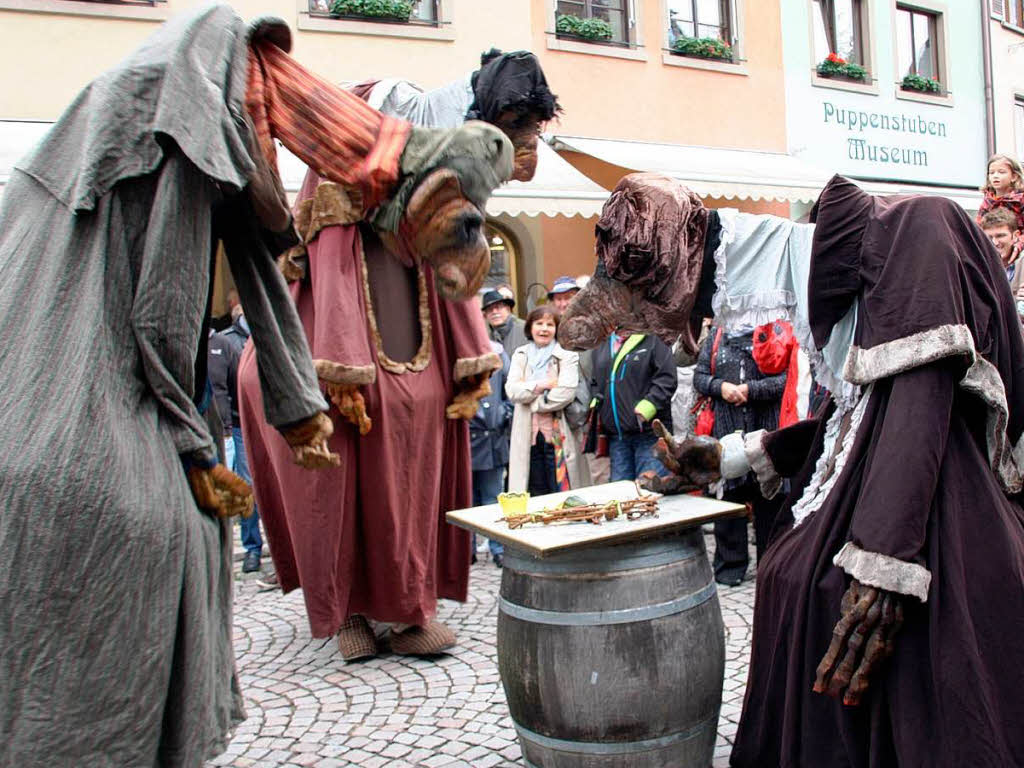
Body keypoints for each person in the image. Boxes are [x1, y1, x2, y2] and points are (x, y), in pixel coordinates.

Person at [0, 8, 412, 765]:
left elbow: (244, 264)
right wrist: (203, 452)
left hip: (41, 452)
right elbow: (162, 320)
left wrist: (289, 407)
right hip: (101, 479)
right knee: (103, 714)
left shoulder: (71, 149)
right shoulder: (173, 140)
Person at [694, 325, 786, 586]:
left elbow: (788, 378)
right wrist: (719, 386)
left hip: (764, 428)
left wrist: (751, 390)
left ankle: (770, 566)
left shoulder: (774, 328)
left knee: (768, 498)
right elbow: (699, 377)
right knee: (729, 501)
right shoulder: (718, 334)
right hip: (727, 428)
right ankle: (730, 566)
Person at [506, 307, 586, 494]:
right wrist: (543, 385)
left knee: (560, 489)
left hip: (559, 435)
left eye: (550, 324)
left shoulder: (567, 355)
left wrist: (533, 401)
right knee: (534, 490)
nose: (544, 329)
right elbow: (512, 391)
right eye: (539, 323)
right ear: (530, 327)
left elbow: (565, 392)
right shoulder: (521, 354)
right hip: (527, 436)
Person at [209, 308, 264, 573]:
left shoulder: (221, 345)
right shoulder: (225, 341)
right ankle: (216, 554)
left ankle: (252, 549)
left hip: (235, 429)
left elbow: (236, 386)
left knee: (245, 486)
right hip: (206, 434)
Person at [589, 331, 677, 482]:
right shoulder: (603, 341)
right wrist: (598, 405)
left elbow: (667, 378)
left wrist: (648, 407)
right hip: (617, 437)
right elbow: (595, 380)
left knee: (650, 495)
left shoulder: (655, 337)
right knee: (622, 497)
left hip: (649, 435)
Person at [470, 340, 513, 567]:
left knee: (493, 498)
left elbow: (510, 390)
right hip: (468, 438)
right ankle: (467, 550)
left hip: (493, 440)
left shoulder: (497, 352)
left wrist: (503, 413)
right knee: (466, 501)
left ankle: (498, 548)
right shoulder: (461, 351)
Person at [977, 153, 1024, 260]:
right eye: (992, 173)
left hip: (1017, 247)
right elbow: (979, 226)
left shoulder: (1020, 199)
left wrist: (1019, 244)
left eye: (1001, 172)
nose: (995, 176)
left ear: (1014, 176)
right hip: (993, 248)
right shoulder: (988, 200)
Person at [979, 207, 1024, 313]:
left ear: (1015, 236)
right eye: (989, 238)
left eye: (1000, 236)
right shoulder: (978, 266)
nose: (995, 242)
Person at [483, 288, 527, 358]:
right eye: (489, 309)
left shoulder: (526, 329)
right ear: (485, 316)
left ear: (508, 309)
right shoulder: (485, 337)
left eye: (498, 307)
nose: (494, 312)